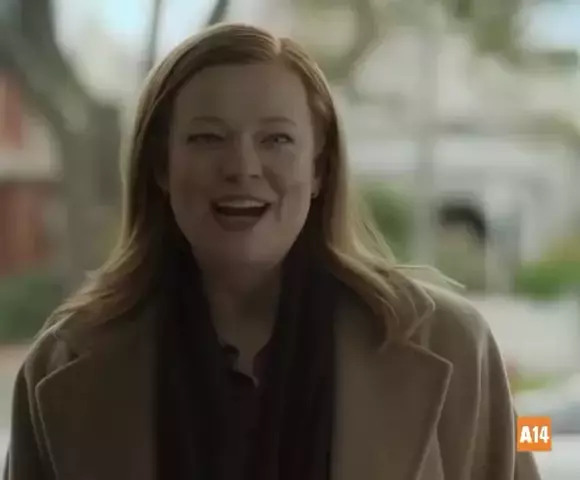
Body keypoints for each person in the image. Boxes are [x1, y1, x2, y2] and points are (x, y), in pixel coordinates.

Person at [4, 23, 541, 480]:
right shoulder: (64, 364)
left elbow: (519, 449)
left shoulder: (453, 344)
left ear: (319, 168)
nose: (242, 167)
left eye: (276, 140)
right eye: (207, 138)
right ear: (161, 167)